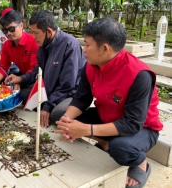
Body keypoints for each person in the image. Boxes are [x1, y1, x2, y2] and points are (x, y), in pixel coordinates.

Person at [55, 18, 163, 188]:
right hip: (107, 115)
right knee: (59, 114)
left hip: (142, 128)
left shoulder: (139, 75)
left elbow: (132, 124)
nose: (84, 50)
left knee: (120, 147)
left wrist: (86, 129)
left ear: (105, 48)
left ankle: (141, 162)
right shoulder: (91, 65)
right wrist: (66, 121)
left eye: (87, 45)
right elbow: (81, 98)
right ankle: (104, 142)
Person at [27, 10, 86, 128]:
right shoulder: (43, 46)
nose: (33, 37)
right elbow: (38, 71)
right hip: (51, 90)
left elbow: (67, 85)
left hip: (70, 94)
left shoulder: (70, 45)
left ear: (48, 31)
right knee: (22, 94)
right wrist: (20, 79)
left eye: (36, 33)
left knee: (57, 113)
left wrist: (48, 105)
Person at [0, 9, 38, 101]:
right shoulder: (6, 45)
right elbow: (3, 67)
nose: (8, 33)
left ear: (21, 25)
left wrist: (20, 80)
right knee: (2, 88)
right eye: (5, 30)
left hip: (36, 78)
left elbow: (34, 70)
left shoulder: (33, 41)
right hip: (24, 76)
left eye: (11, 29)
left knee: (21, 95)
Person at [0, 8, 19, 74]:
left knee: (17, 73)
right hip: (1, 62)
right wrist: (5, 65)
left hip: (16, 64)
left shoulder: (20, 33)